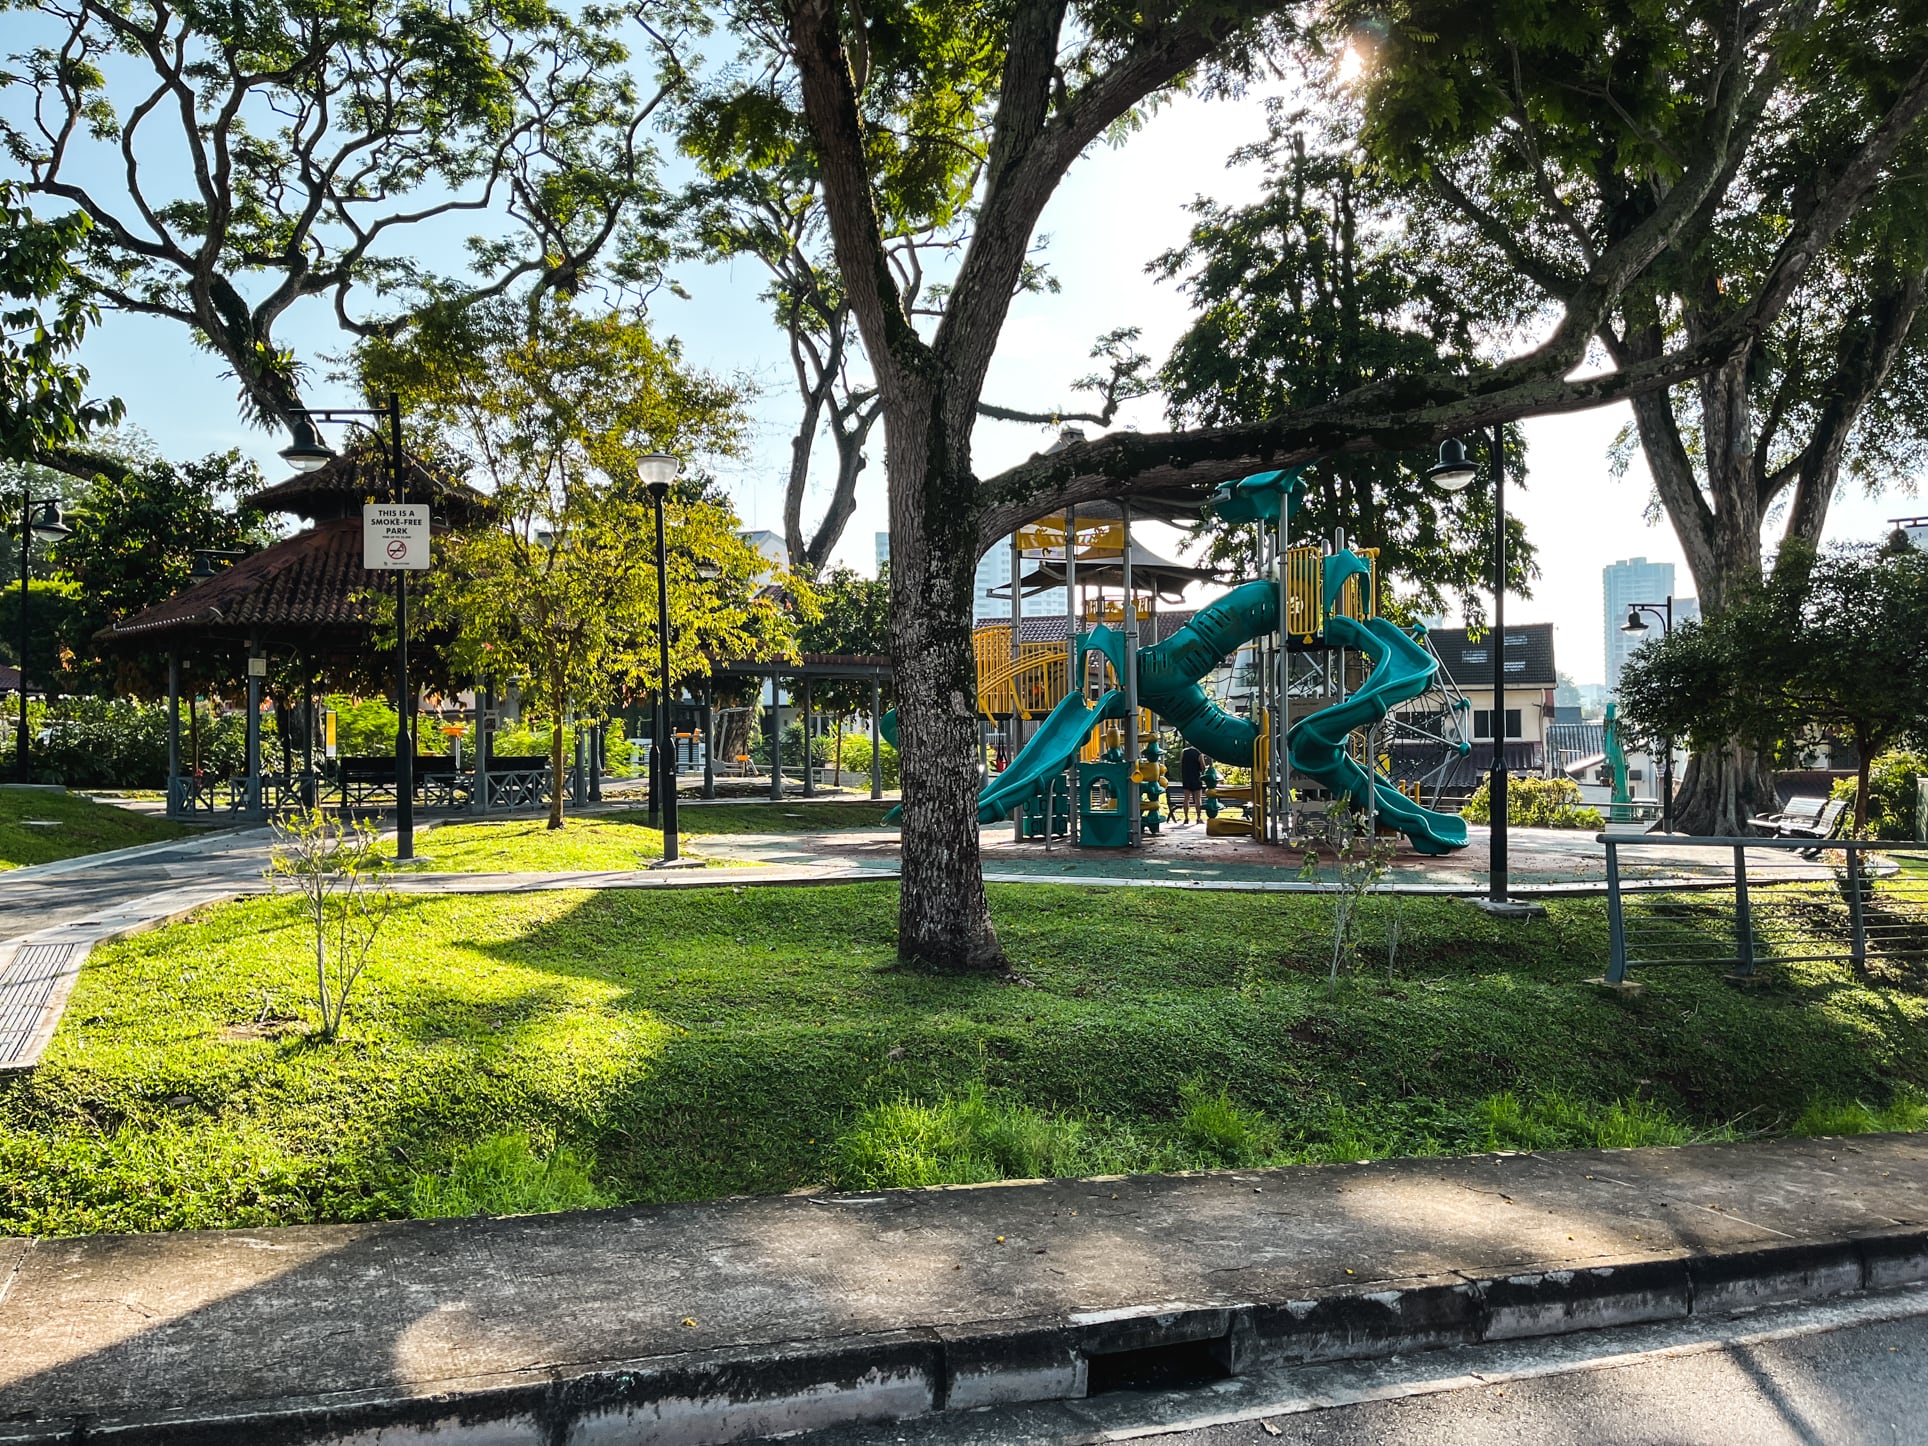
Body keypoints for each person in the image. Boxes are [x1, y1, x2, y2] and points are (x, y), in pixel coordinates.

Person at [1179, 744, 1204, 824]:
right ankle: (1198, 818)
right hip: (1196, 778)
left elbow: (1181, 763)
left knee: (1186, 799)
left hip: (1186, 778)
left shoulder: (1184, 752)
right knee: (1197, 799)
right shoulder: (1199, 753)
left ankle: (1186, 817)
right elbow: (1203, 766)